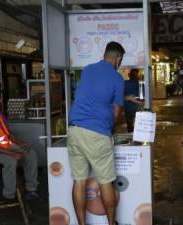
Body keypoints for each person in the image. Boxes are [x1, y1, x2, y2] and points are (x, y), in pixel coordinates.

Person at [67, 41, 125, 225]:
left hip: (75, 130)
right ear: (118, 59)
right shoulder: (117, 78)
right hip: (97, 134)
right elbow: (116, 112)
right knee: (105, 182)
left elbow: (91, 96)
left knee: (79, 181)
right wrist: (111, 123)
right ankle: (111, 223)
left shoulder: (88, 70)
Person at [124, 69, 143, 133]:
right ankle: (135, 138)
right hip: (134, 107)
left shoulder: (125, 83)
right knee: (135, 125)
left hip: (130, 108)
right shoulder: (140, 84)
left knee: (130, 125)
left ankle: (131, 137)